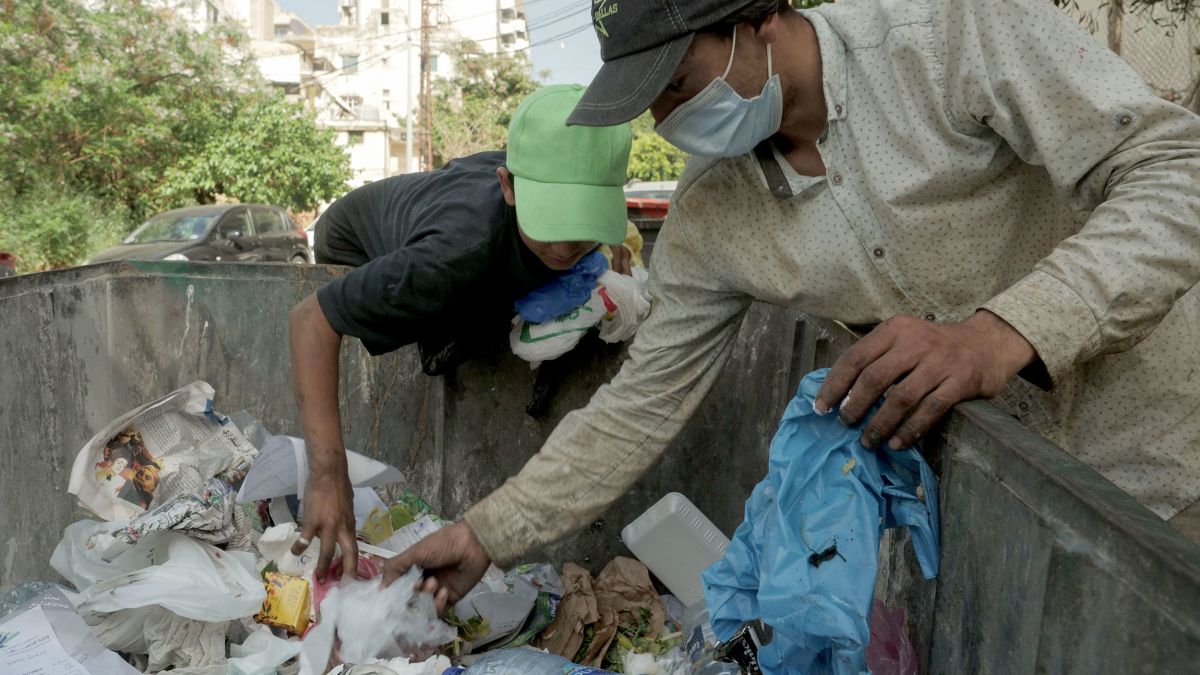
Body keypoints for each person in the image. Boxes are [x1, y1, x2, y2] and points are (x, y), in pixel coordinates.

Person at [385, 0, 1200, 606]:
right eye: (653, 108)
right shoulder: (713, 214)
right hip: (995, 524)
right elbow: (637, 407)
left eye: (678, 85)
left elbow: (1176, 172)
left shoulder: (942, 37)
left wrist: (1004, 332)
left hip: (1164, 464)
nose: (671, 123)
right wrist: (487, 531)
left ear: (760, 19)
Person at [288, 84, 634, 579]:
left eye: (583, 222)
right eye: (551, 221)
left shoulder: (566, 212)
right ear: (509, 186)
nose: (566, 245)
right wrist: (327, 475)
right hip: (352, 239)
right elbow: (310, 319)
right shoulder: (454, 256)